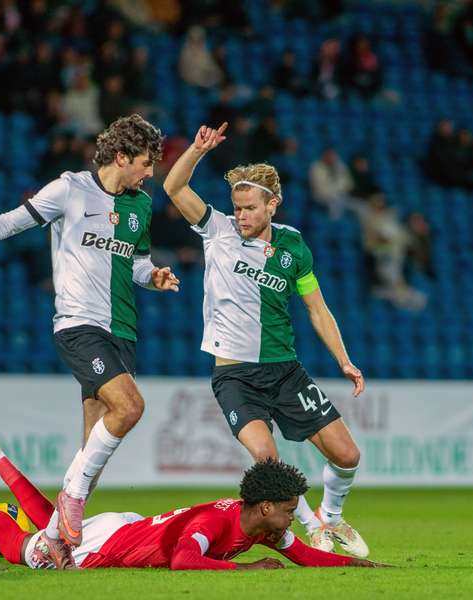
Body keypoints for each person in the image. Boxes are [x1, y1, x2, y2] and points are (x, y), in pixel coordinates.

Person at [0, 114, 178, 569]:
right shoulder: (69, 189)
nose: (150, 173)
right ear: (122, 156)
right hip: (80, 325)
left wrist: (154, 276)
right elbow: (9, 223)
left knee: (91, 454)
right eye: (146, 163)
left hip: (123, 331)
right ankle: (63, 512)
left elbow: (138, 263)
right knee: (130, 407)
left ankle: (51, 540)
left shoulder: (140, 205)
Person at [162, 123, 369, 558]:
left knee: (347, 455)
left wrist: (344, 360)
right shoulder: (217, 230)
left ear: (273, 205)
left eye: (250, 208)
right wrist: (197, 151)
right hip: (235, 376)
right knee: (268, 462)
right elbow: (173, 186)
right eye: (237, 208)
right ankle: (313, 528)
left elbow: (317, 307)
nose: (241, 216)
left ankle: (331, 518)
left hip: (285, 372)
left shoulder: (294, 246)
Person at [0, 429, 386, 570]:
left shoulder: (257, 524)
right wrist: (247, 570)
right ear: (266, 507)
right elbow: (184, 560)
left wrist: (361, 566)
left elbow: (303, 555)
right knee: (22, 549)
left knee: (49, 526)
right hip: (110, 543)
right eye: (289, 510)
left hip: (125, 528)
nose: (291, 519)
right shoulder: (216, 524)